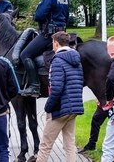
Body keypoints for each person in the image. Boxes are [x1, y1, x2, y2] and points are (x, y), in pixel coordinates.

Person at [36, 32, 84, 162]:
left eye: (53, 42)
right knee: (69, 145)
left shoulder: (57, 61)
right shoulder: (76, 60)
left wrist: (48, 107)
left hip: (59, 108)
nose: (52, 45)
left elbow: (56, 88)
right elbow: (80, 82)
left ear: (56, 43)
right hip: (74, 107)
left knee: (45, 145)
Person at [19, 0, 70, 97]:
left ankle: (34, 87)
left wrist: (36, 14)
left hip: (49, 35)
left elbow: (39, 16)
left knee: (25, 54)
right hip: (62, 33)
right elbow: (67, 17)